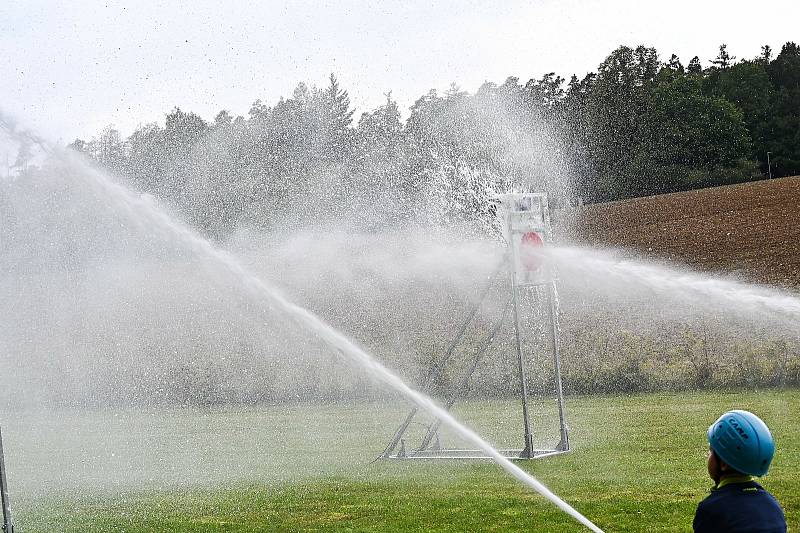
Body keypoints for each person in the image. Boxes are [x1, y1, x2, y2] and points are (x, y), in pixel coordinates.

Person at [693, 409, 787, 532]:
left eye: (711, 450)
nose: (707, 455)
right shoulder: (772, 506)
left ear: (724, 464)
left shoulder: (711, 510)